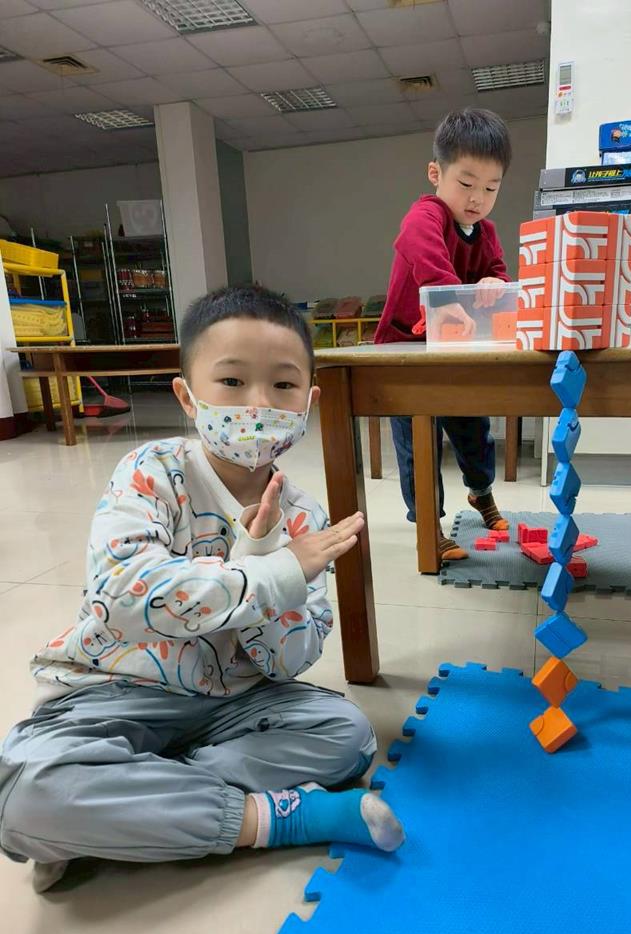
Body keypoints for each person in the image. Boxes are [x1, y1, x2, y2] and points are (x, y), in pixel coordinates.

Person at [0, 285, 404, 892]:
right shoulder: (151, 471)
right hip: (115, 692)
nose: (259, 403)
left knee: (348, 737)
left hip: (236, 704)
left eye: (283, 385)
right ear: (188, 396)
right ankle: (281, 818)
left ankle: (127, 805)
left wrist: (268, 551)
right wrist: (271, 572)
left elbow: (289, 662)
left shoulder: (304, 519)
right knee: (22, 795)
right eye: (233, 382)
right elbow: (122, 594)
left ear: (309, 401)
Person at [375, 108, 513, 559]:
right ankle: (427, 524)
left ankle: (480, 493)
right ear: (436, 173)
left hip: (455, 349)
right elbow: (417, 241)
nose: (477, 198)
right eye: (466, 183)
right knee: (419, 442)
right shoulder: (427, 213)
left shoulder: (486, 232)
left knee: (474, 428)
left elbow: (497, 272)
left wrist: (494, 281)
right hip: (406, 351)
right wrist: (445, 291)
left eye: (490, 188)